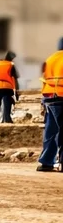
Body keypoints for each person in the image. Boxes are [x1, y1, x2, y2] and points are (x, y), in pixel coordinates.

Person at [37, 38, 63, 172]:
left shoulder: (50, 59)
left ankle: (46, 162)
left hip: (49, 96)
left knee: (51, 130)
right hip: (61, 95)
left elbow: (44, 77)